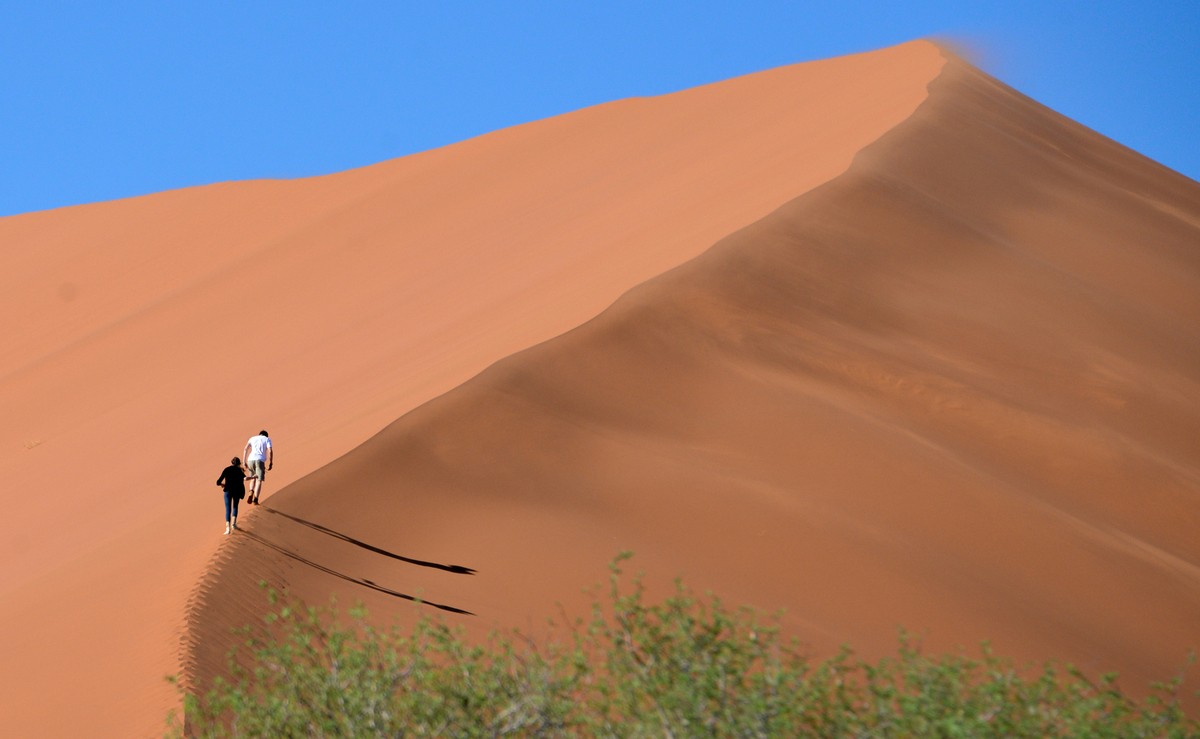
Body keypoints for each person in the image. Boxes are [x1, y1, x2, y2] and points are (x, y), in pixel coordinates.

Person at [216, 457, 246, 535]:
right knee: (235, 507)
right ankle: (233, 525)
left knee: (228, 510)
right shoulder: (239, 470)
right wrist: (254, 477)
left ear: (232, 462)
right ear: (239, 463)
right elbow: (245, 478)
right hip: (236, 491)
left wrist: (223, 484)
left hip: (228, 491)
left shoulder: (227, 469)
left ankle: (228, 528)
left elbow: (218, 482)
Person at [243, 430, 273, 505]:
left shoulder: (252, 438)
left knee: (252, 478)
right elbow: (270, 451)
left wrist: (244, 461)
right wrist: (271, 462)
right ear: (266, 435)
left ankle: (251, 491)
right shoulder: (267, 439)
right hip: (260, 460)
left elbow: (246, 448)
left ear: (259, 434)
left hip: (250, 460)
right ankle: (255, 499)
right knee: (259, 480)